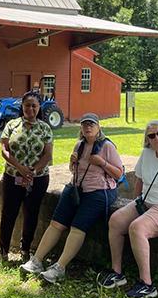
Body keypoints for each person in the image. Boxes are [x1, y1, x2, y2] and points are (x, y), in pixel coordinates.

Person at [20, 113, 123, 283]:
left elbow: (119, 174)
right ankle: (37, 260)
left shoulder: (107, 147)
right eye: (84, 124)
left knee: (77, 227)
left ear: (99, 128)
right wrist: (72, 163)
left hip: (98, 191)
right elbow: (75, 171)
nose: (87, 127)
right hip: (75, 188)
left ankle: (60, 267)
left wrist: (102, 163)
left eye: (91, 124)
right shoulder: (79, 145)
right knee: (56, 224)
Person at [98, 120, 158, 298]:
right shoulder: (146, 154)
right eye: (151, 136)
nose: (157, 138)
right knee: (116, 220)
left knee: (137, 228)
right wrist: (136, 202)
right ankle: (117, 273)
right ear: (147, 139)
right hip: (147, 203)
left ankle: (147, 284)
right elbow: (139, 181)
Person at [0, 91, 54, 263]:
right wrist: (20, 168)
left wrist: (33, 171)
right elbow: (4, 149)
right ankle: (4, 251)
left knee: (31, 213)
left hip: (38, 179)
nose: (30, 109)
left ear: (39, 108)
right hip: (13, 176)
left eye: (34, 106)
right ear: (22, 106)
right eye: (27, 105)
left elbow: (48, 154)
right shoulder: (12, 125)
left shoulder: (45, 128)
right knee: (9, 213)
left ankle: (26, 250)